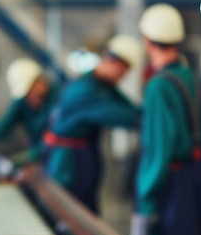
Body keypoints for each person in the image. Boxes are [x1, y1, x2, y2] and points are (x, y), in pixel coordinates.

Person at [132, 3, 201, 235]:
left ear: (147, 41)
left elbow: (159, 150)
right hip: (197, 179)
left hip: (172, 187)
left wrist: (145, 195)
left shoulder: (158, 86)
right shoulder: (192, 78)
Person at [46, 35, 142, 214]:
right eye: (123, 72)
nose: (123, 77)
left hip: (82, 157)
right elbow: (125, 116)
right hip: (69, 163)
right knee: (72, 214)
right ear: (114, 63)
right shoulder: (85, 90)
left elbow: (133, 110)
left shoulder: (102, 85)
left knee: (85, 211)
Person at [0, 57, 61, 173]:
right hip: (38, 153)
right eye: (26, 95)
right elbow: (4, 124)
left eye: (31, 92)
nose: (29, 98)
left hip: (56, 157)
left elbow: (54, 137)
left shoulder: (59, 100)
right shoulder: (24, 100)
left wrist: (28, 156)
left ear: (40, 82)